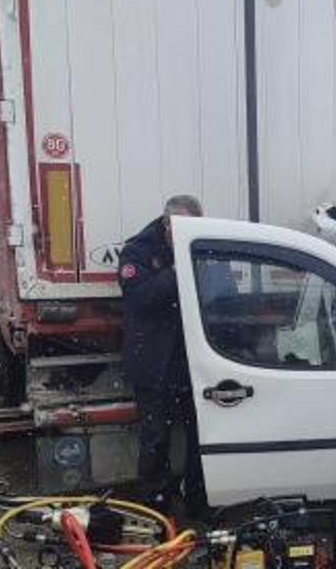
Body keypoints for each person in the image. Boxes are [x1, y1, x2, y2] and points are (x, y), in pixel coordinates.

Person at [118, 194, 206, 516]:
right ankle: (156, 507)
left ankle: (199, 501)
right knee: (156, 439)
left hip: (192, 362)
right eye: (182, 229)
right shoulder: (137, 251)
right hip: (153, 362)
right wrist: (176, 268)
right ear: (167, 225)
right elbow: (140, 299)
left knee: (203, 437)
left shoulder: (201, 245)